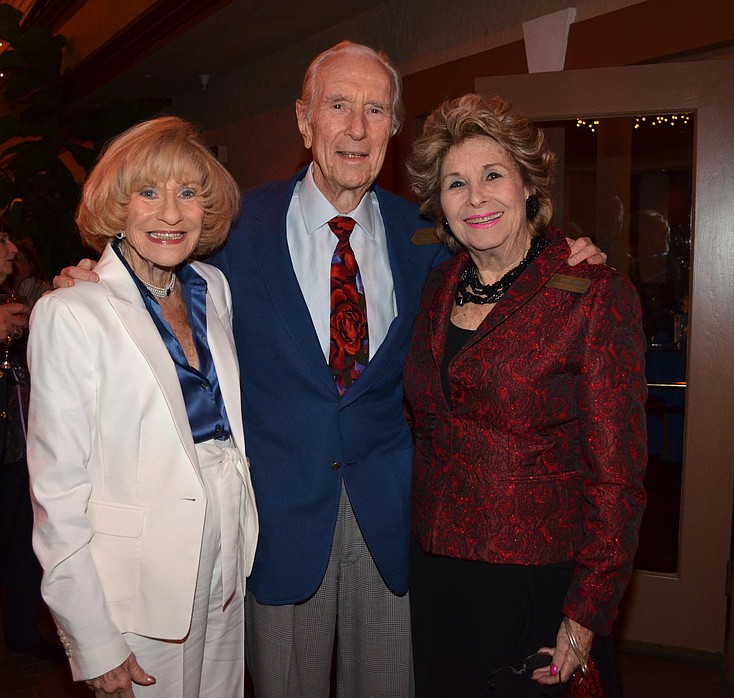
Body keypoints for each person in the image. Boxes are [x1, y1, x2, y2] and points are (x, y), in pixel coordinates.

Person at [55, 42, 606, 698]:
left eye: (376, 110)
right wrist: (94, 275)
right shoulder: (233, 228)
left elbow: (499, 241)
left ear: (394, 130)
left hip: (392, 525)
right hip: (281, 523)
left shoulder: (424, 236)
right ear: (303, 120)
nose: (356, 127)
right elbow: (156, 263)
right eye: (338, 106)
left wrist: (560, 251)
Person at [403, 94, 647, 697]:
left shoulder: (591, 295)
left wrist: (587, 611)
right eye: (456, 183)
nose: (476, 196)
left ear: (528, 187)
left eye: (493, 176)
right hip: (440, 576)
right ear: (441, 205)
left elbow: (619, 476)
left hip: (537, 582)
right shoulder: (438, 284)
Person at [27, 116, 259, 697]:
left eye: (188, 193)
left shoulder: (212, 287)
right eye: (148, 193)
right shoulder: (72, 312)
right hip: (136, 587)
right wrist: (92, 637)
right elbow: (57, 493)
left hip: (227, 565)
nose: (171, 213)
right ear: (117, 205)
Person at [0, 226, 57, 661]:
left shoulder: (17, 295)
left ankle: (21, 630)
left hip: (18, 450)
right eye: (1, 240)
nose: (13, 248)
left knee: (24, 545)